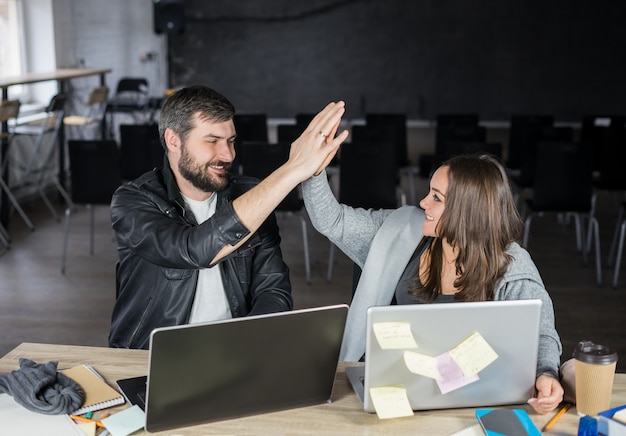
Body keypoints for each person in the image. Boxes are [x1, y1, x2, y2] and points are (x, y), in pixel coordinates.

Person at [302, 152, 564, 414]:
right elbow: (331, 220)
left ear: (468, 211)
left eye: (437, 198)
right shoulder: (399, 229)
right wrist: (315, 169)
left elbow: (540, 333)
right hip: (392, 387)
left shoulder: (512, 263)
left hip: (473, 395)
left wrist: (547, 374)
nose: (423, 202)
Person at [108, 85, 348, 349]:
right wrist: (291, 170)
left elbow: (273, 290)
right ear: (174, 140)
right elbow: (192, 250)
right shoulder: (132, 200)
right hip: (150, 356)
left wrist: (245, 346)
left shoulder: (252, 196)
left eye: (231, 141)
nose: (228, 154)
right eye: (212, 141)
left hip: (234, 351)